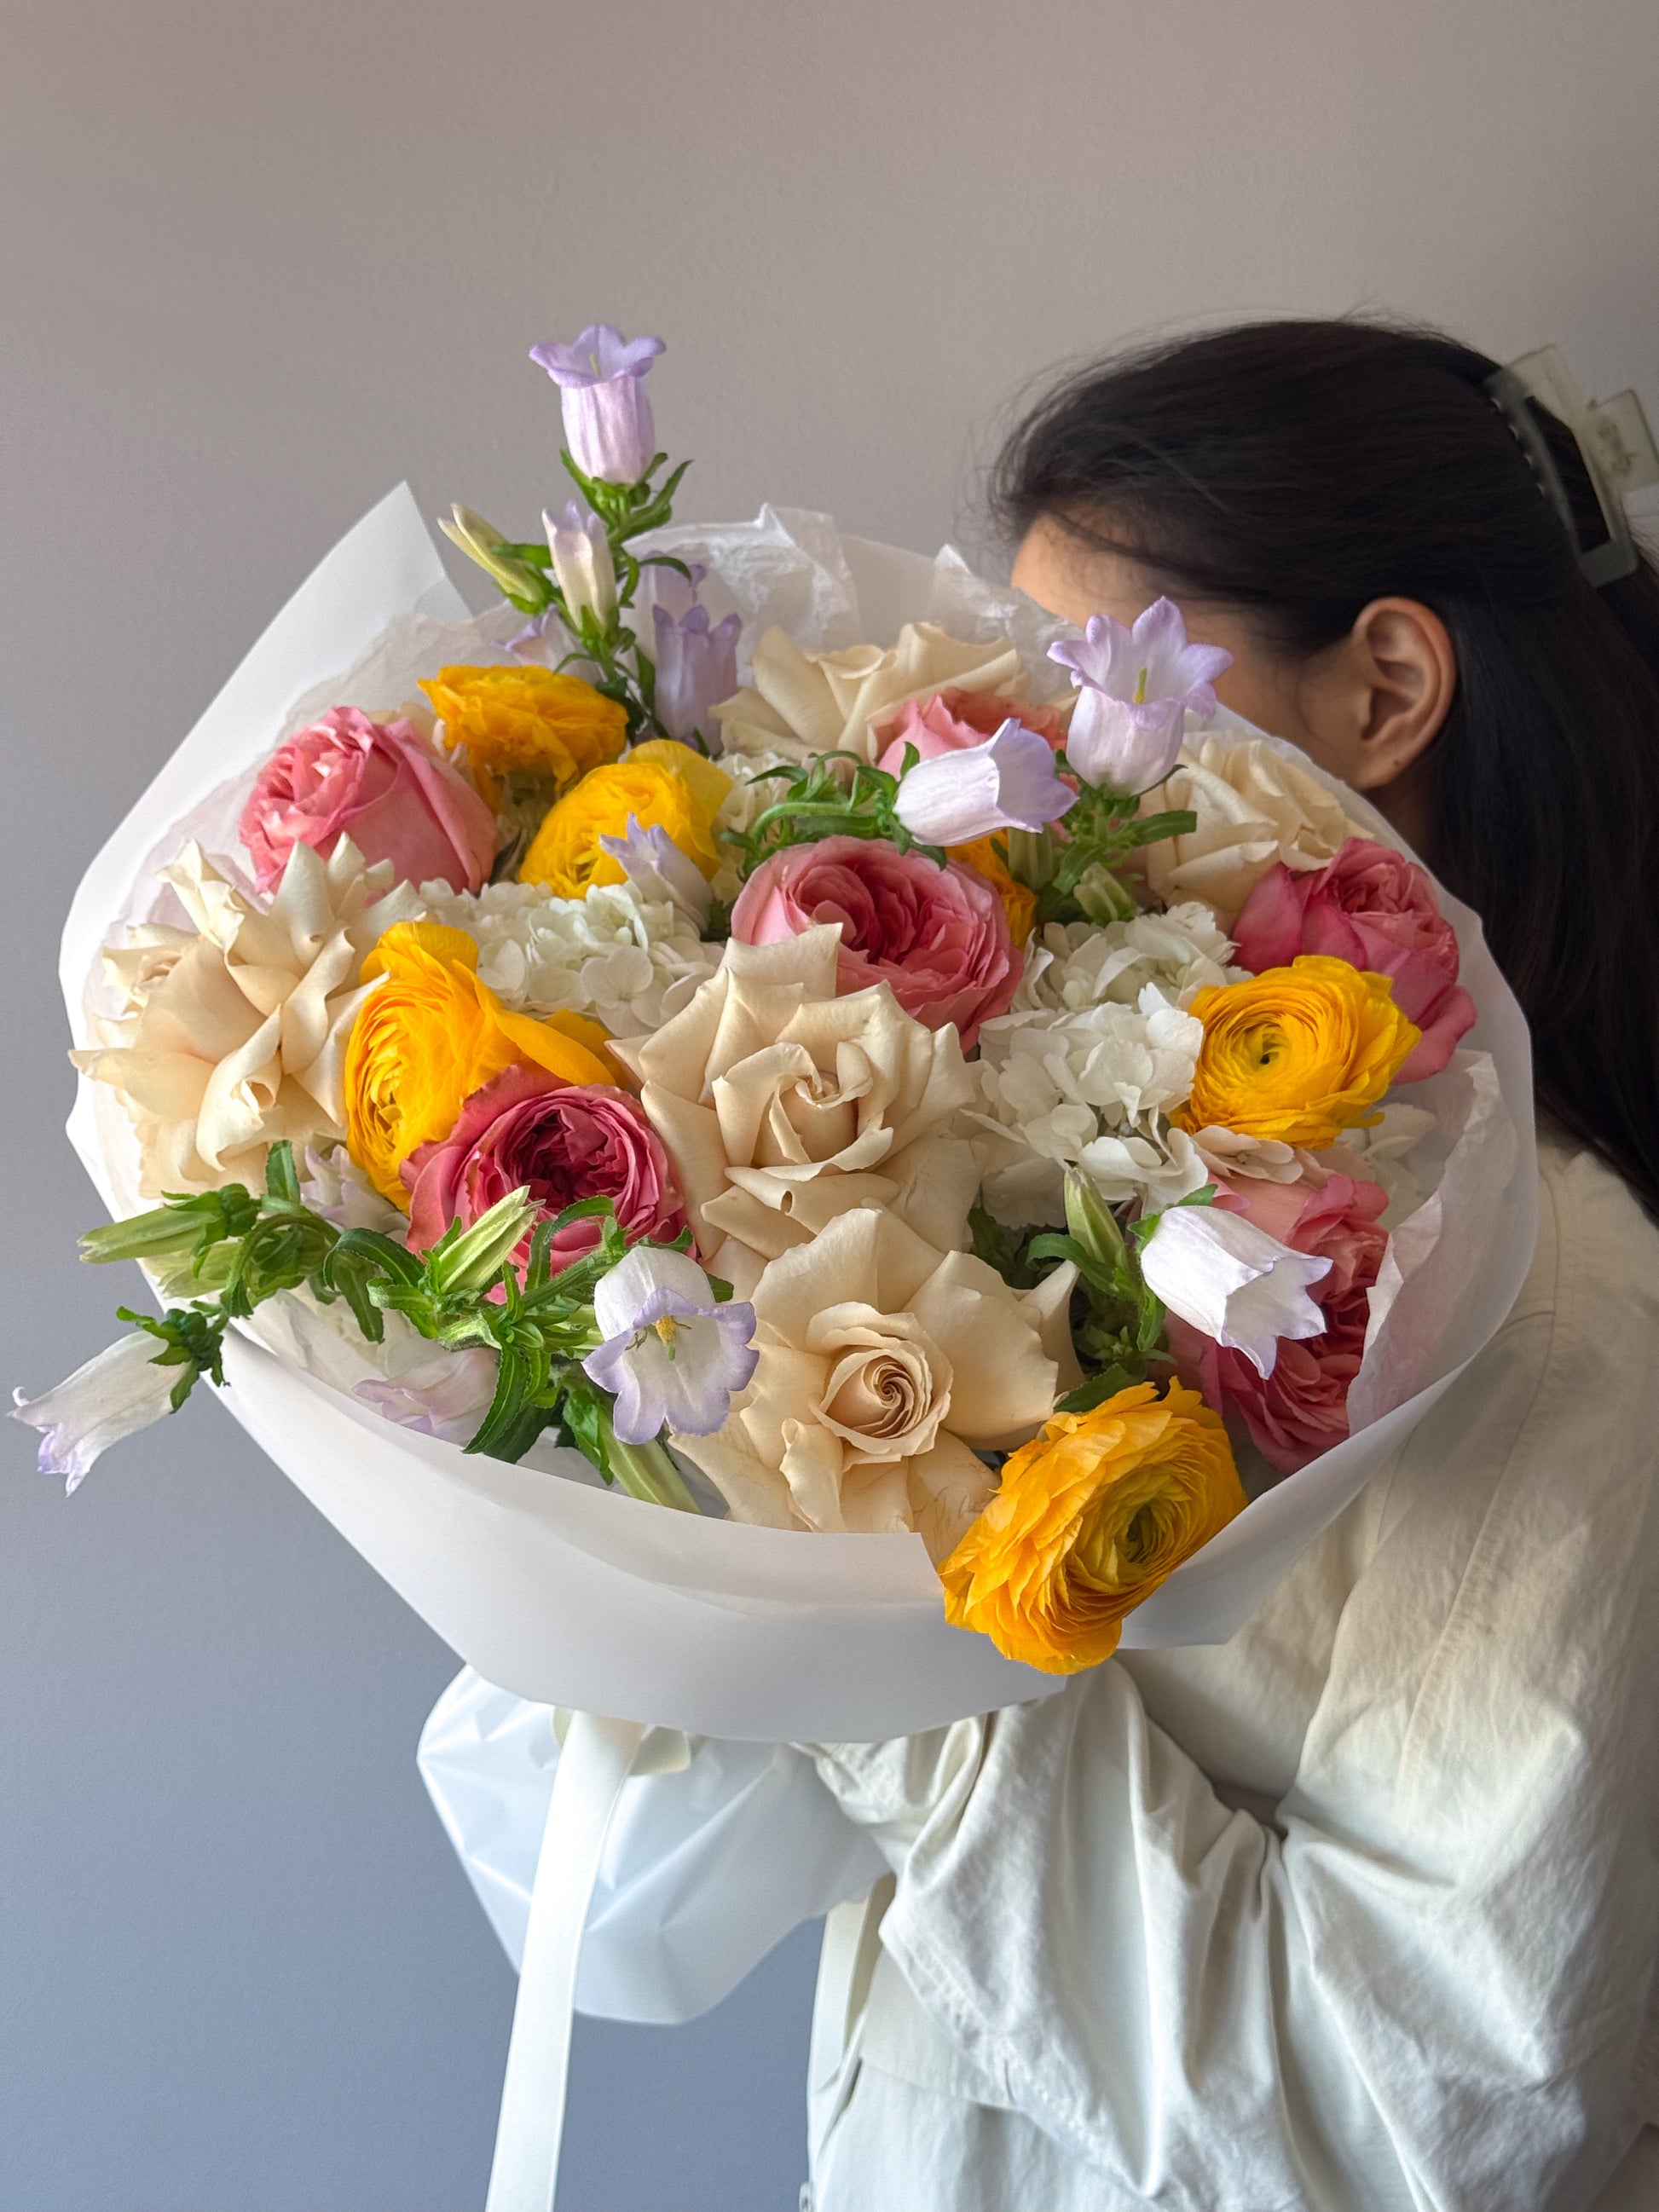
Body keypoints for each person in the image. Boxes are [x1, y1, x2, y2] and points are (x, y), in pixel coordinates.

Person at [799, 321, 1659, 2211]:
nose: (1033, 768)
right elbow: (640, 1901)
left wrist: (882, 1636)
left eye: (1109, 684)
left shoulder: (1564, 1323)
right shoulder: (1043, 1203)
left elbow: (1428, 2126)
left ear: (1387, 687)